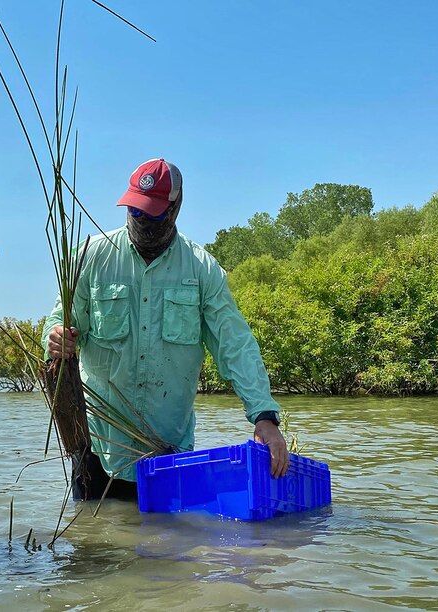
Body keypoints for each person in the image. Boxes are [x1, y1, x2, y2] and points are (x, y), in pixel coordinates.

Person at [43, 158, 288, 501]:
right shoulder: (91, 256)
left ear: (175, 209)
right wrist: (55, 337)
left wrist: (264, 416)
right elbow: (58, 321)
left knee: (166, 549)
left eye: (153, 214)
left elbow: (234, 343)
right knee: (93, 548)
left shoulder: (202, 269)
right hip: (98, 448)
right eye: (136, 211)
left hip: (168, 450)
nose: (142, 220)